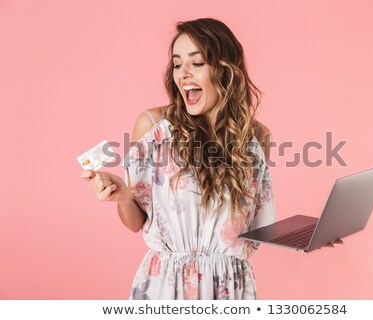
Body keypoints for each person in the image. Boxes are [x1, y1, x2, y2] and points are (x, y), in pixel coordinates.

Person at [80, 17, 275, 300]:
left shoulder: (257, 137)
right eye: (176, 63)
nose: (183, 74)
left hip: (232, 287)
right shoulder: (154, 128)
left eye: (196, 63)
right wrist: (123, 197)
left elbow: (254, 226)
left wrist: (307, 237)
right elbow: (137, 222)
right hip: (167, 286)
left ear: (225, 70)